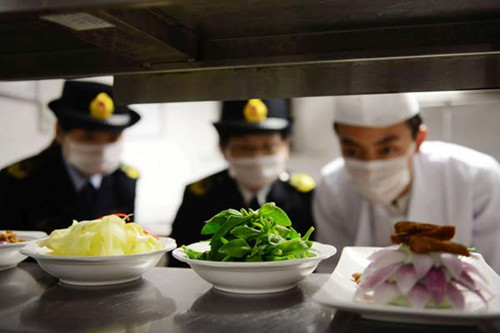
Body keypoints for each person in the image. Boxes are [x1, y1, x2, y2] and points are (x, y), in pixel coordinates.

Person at [313, 93, 500, 273]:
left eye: (387, 150)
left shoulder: (476, 180)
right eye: (353, 151)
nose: (370, 166)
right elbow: (333, 274)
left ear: (418, 140)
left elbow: (491, 276)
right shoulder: (332, 187)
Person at [169, 99, 316, 266]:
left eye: (268, 147)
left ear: (286, 146)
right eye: (244, 148)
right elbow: (179, 261)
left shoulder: (304, 194)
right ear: (223, 149)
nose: (257, 158)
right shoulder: (199, 195)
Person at [0, 80, 141, 234]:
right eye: (88, 137)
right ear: (59, 132)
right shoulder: (18, 180)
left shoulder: (125, 181)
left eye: (112, 138)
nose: (102, 149)